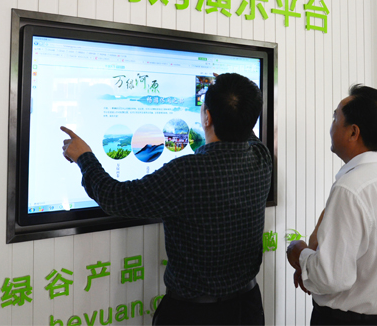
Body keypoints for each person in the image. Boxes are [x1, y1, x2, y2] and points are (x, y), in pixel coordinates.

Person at [61, 73, 272, 325]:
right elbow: (245, 128)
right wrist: (234, 99)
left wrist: (84, 157)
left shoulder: (186, 173)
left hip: (194, 316)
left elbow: (115, 197)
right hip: (248, 309)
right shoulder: (261, 158)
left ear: (207, 117)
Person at [286, 84, 377, 326]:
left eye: (335, 117)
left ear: (353, 132)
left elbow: (331, 277)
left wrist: (298, 252)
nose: (331, 126)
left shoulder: (350, 188)